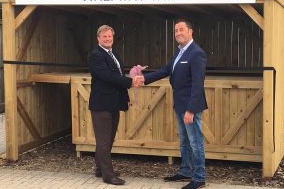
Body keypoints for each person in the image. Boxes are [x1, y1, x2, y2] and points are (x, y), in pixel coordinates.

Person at [139, 19, 208, 189]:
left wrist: (191, 110)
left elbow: (198, 84)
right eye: (176, 30)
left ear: (190, 31)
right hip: (179, 105)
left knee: (195, 142)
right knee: (184, 141)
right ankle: (185, 171)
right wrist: (144, 79)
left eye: (181, 29)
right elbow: (165, 70)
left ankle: (199, 177)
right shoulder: (179, 53)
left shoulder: (196, 53)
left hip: (190, 107)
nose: (178, 33)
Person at [88, 25, 142, 185]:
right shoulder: (96, 55)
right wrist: (130, 82)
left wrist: (131, 78)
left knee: (108, 139)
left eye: (110, 36)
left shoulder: (113, 54)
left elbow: (117, 74)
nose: (107, 39)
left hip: (113, 103)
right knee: (104, 141)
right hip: (101, 104)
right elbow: (107, 76)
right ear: (98, 38)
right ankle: (108, 175)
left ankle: (100, 169)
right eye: (104, 37)